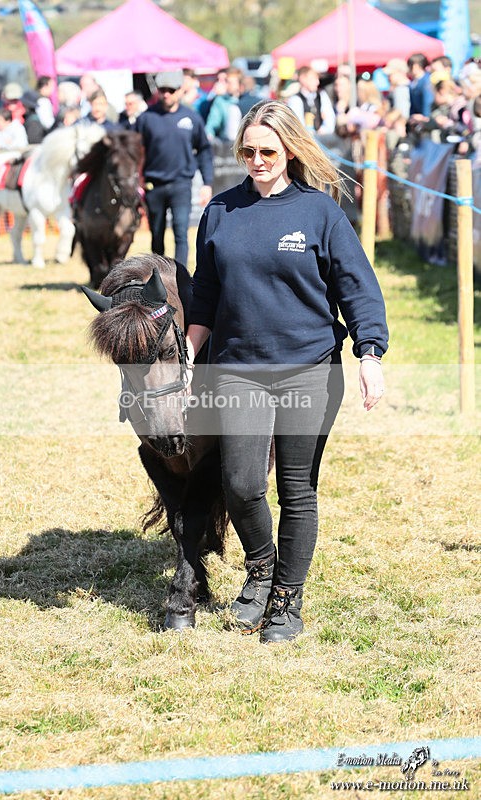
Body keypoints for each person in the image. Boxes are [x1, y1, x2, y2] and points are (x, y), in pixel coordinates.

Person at [186, 100, 388, 644]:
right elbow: (205, 292)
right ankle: (261, 567)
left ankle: (285, 601)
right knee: (241, 483)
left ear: (291, 150)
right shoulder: (221, 211)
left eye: (268, 151)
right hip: (238, 368)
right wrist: (189, 351)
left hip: (310, 370)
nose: (257, 160)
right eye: (248, 151)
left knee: (297, 490)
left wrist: (370, 355)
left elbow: (357, 288)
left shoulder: (320, 213)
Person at [135, 69, 213, 267]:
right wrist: (138, 177)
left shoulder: (191, 118)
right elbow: (137, 150)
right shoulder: (146, 118)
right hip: (154, 184)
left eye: (171, 90)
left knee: (181, 232)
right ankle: (159, 278)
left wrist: (207, 182)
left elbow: (204, 150)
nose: (166, 94)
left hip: (181, 184)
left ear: (180, 90)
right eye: (162, 90)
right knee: (157, 234)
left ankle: (180, 278)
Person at [287, 66, 336, 134]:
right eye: (314, 79)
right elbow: (298, 125)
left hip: (322, 138)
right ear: (303, 79)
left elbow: (330, 119)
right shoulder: (295, 100)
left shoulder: (321, 95)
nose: (318, 82)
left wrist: (323, 130)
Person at [205, 67, 244, 141]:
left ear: (239, 84)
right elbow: (212, 124)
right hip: (227, 144)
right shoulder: (220, 101)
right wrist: (209, 137)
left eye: (230, 82)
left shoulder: (246, 100)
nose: (226, 85)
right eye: (226, 82)